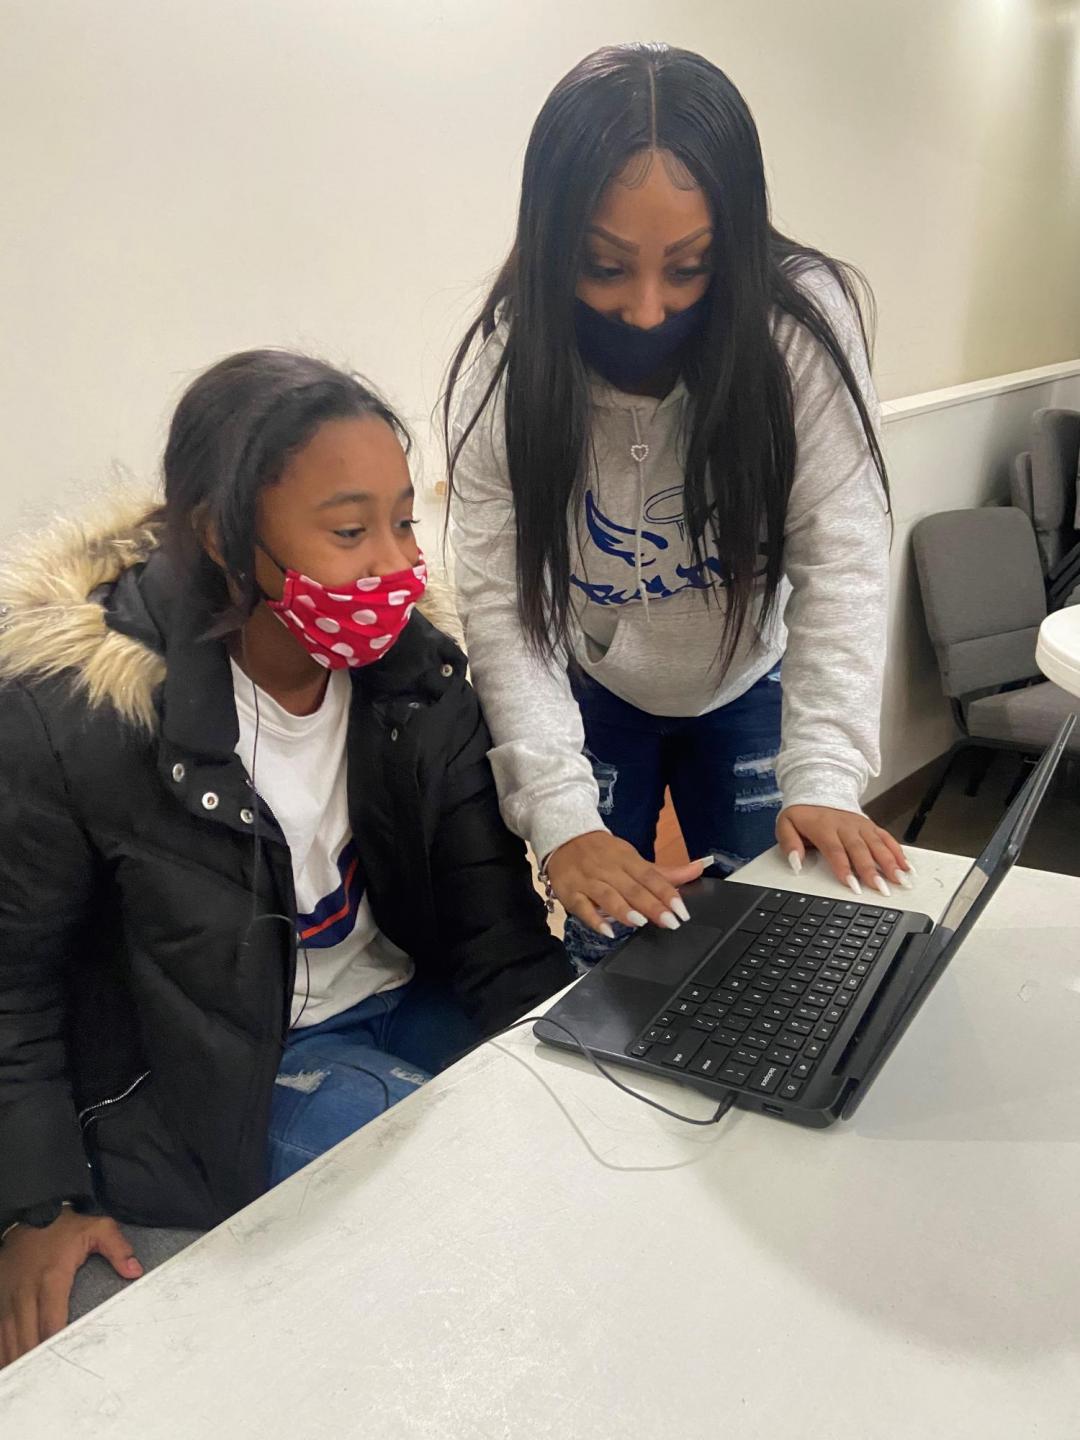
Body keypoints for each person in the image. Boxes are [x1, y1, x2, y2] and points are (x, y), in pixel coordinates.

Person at [0, 349, 572, 1365]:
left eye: (404, 518)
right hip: (218, 1067)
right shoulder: (75, 719)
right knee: (446, 1188)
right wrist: (37, 1199)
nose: (396, 563)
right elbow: (13, 983)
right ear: (225, 536)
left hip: (397, 992)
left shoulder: (419, 683)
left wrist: (566, 1038)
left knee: (566, 1123)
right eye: (350, 531)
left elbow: (495, 925)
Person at [445, 42, 910, 969]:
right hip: (597, 682)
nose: (649, 310)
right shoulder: (508, 361)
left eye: (689, 267)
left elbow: (843, 551)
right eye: (605, 266)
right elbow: (504, 607)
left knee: (775, 946)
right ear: (552, 243)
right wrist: (561, 818)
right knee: (605, 940)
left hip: (748, 677)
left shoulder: (800, 329)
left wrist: (823, 769)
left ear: (733, 247)